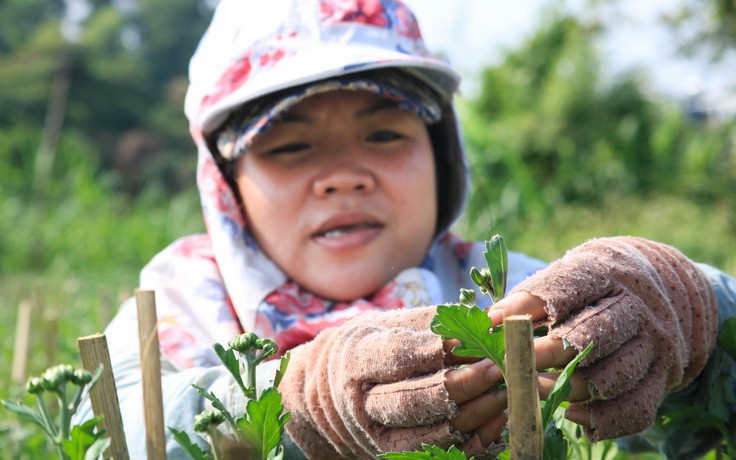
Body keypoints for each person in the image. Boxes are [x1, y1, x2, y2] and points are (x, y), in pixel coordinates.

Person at [76, 0, 736, 458]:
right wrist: (301, 405)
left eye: (385, 133)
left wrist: (692, 306)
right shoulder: (184, 303)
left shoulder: (509, 294)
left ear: (442, 157)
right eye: (289, 147)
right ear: (226, 185)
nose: (343, 176)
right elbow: (109, 434)